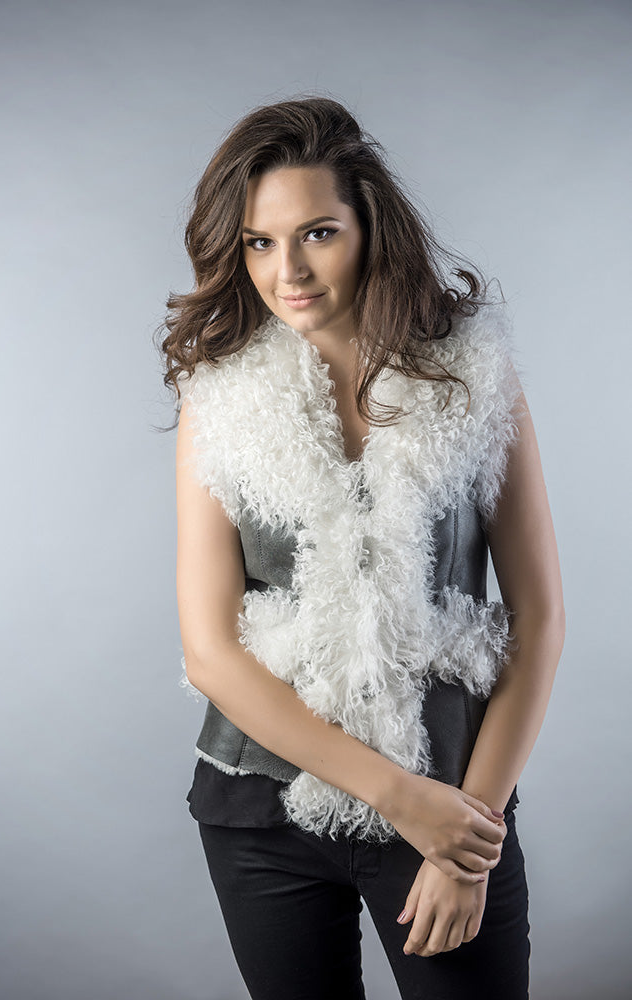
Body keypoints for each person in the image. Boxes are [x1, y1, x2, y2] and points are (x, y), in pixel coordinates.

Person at [159, 96, 565, 1000]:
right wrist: (395, 793)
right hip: (259, 811)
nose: (286, 270)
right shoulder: (218, 399)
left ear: (370, 227)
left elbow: (536, 625)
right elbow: (210, 651)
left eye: (317, 233)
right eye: (260, 243)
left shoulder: (475, 377)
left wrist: (466, 839)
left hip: (453, 801)